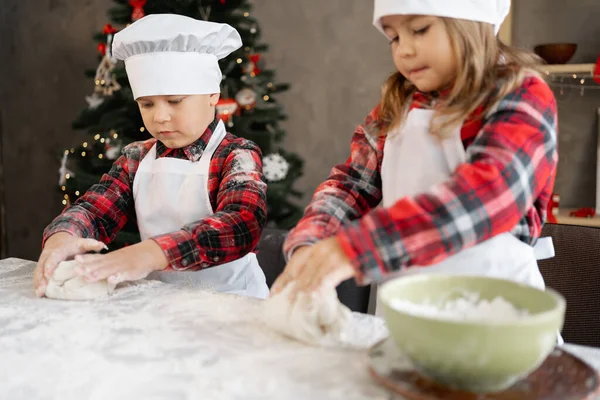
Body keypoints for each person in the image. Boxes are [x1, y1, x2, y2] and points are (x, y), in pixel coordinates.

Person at [271, 0, 558, 313]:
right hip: (404, 308)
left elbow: (488, 196)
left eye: (419, 30)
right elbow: (350, 186)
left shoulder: (520, 95)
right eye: (394, 37)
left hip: (495, 313)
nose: (404, 50)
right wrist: (310, 245)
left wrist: (356, 248)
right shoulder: (398, 106)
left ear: (470, 22)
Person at [34, 14, 269, 299]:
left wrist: (149, 254)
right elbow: (95, 211)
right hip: (161, 304)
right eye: (146, 104)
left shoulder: (237, 155)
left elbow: (241, 224)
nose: (159, 117)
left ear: (212, 95)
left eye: (175, 101)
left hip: (233, 303)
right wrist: (62, 237)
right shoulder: (136, 157)